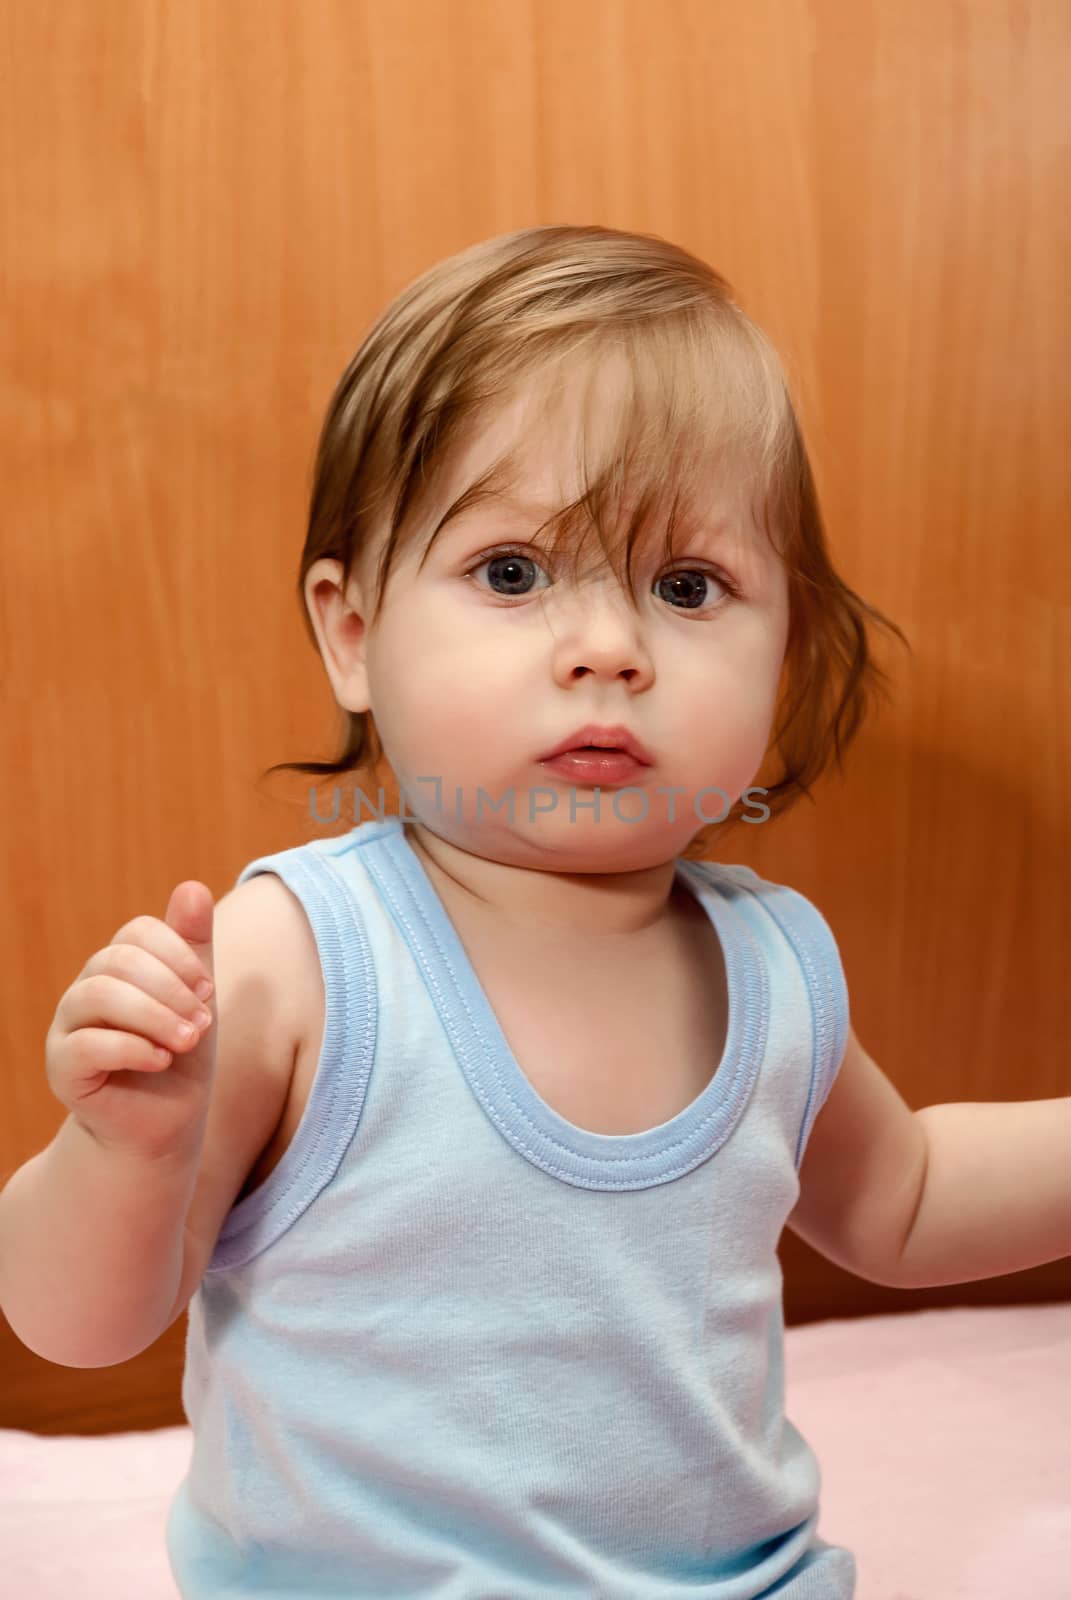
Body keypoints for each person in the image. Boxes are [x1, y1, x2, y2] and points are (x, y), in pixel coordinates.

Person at [8, 224, 1050, 1597]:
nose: (609, 647)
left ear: (783, 649)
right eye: (513, 573)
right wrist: (127, 1148)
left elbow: (905, 1197)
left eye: (688, 588)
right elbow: (78, 1319)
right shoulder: (301, 962)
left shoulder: (773, 965)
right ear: (355, 632)